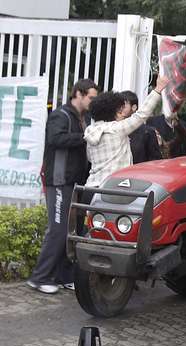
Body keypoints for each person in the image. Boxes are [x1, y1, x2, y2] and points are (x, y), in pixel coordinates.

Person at [26, 79, 99, 294]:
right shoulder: (61, 115)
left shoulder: (82, 118)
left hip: (73, 183)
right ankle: (39, 278)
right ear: (78, 93)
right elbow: (55, 139)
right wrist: (84, 137)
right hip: (59, 181)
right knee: (58, 231)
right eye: (91, 97)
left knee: (70, 232)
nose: (93, 102)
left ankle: (63, 276)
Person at [84, 76, 169, 188]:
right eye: (119, 110)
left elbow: (90, 158)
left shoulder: (90, 131)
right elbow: (141, 115)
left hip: (91, 187)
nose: (122, 113)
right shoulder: (117, 129)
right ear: (112, 112)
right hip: (111, 188)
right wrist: (158, 89)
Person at [119, 91, 163, 164]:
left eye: (123, 106)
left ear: (134, 107)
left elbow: (155, 161)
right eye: (118, 106)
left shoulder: (147, 132)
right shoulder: (114, 129)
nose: (120, 109)